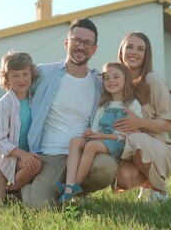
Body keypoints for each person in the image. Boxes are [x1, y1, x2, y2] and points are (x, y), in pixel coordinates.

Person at [21, 17, 119, 208]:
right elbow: (15, 89)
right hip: (51, 155)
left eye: (87, 43)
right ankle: (28, 188)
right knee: (37, 207)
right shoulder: (43, 73)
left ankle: (72, 191)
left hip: (83, 154)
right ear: (66, 43)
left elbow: (125, 96)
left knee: (107, 168)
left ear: (94, 49)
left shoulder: (100, 84)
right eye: (76, 40)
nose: (81, 47)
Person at [56, 62, 143, 203]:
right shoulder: (103, 104)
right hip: (100, 140)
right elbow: (96, 129)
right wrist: (90, 133)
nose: (111, 81)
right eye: (107, 78)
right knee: (75, 141)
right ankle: (69, 185)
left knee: (91, 146)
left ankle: (72, 188)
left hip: (119, 143)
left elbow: (132, 136)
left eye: (116, 77)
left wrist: (103, 137)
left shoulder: (132, 104)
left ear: (126, 80)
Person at [113, 32, 171, 204]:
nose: (134, 52)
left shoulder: (153, 80)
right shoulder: (116, 82)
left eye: (140, 48)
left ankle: (159, 191)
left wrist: (139, 122)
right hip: (131, 149)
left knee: (136, 139)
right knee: (123, 177)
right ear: (121, 50)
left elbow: (168, 125)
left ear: (146, 55)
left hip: (161, 149)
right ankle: (147, 186)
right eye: (129, 46)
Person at [0, 51, 42, 204]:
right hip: (2, 159)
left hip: (24, 159)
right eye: (15, 75)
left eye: (25, 74)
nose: (21, 79)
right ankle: (1, 190)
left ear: (31, 75)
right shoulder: (3, 105)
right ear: (7, 79)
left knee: (36, 164)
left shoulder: (36, 100)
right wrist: (22, 154)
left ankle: (12, 190)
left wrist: (27, 156)